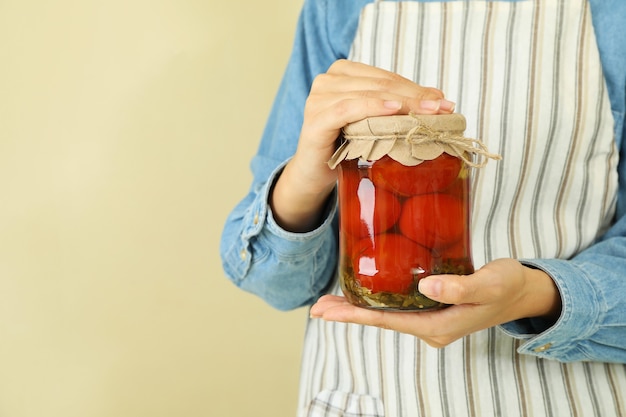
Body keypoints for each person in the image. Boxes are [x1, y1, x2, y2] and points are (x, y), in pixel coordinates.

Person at [220, 0, 626, 415]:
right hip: (367, 392)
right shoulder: (336, 8)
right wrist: (306, 175)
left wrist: (536, 293)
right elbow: (271, 283)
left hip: (564, 397)